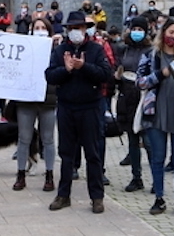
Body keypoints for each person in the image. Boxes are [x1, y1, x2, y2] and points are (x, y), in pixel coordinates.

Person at [45, 11, 113, 213]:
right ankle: (63, 195)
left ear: (85, 29)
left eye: (79, 28)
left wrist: (84, 67)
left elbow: (105, 75)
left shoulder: (95, 49)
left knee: (92, 153)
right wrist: (65, 69)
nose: (76, 32)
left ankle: (97, 197)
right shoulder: (60, 51)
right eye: (72, 28)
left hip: (90, 107)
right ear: (67, 30)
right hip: (66, 107)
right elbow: (49, 76)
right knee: (66, 153)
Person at [136, 17, 174, 216]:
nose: (173, 36)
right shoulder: (151, 55)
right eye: (170, 32)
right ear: (163, 33)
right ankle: (159, 197)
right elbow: (141, 82)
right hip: (155, 112)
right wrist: (161, 74)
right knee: (157, 158)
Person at [13, 18, 59, 192]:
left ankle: (49, 174)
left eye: (43, 28)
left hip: (48, 101)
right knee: (23, 139)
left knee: (48, 139)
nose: (40, 30)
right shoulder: (24, 50)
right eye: (36, 28)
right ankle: (21, 174)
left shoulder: (56, 51)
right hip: (26, 100)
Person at [115, 16, 153, 192]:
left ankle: (156, 177)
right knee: (132, 140)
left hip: (144, 98)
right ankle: (136, 177)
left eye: (140, 29)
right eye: (134, 29)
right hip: (126, 96)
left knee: (149, 141)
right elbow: (117, 70)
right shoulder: (124, 49)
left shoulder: (151, 51)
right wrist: (117, 76)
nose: (137, 32)